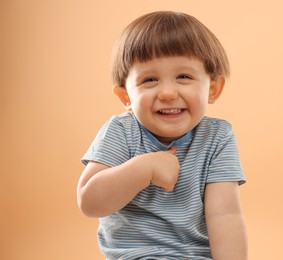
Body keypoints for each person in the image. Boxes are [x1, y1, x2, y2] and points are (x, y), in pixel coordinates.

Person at [77, 11, 247, 260]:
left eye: (184, 77)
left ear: (212, 89)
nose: (167, 92)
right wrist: (143, 169)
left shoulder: (217, 137)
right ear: (126, 97)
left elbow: (226, 215)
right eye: (150, 79)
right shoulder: (121, 132)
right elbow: (89, 202)